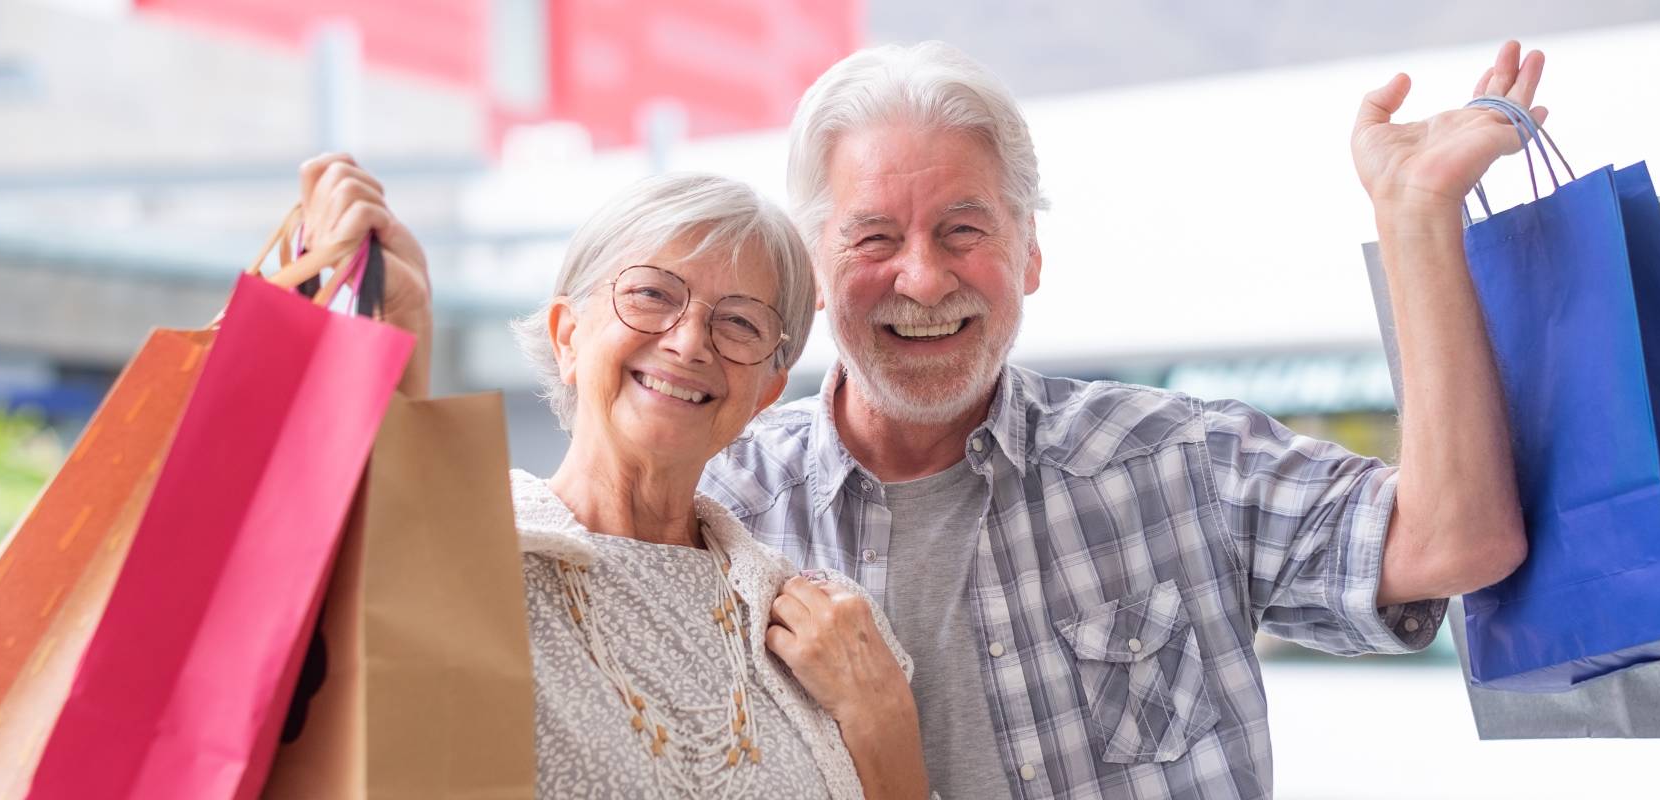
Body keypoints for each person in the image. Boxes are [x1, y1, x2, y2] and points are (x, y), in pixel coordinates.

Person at [302, 36, 1540, 799]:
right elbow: (398, 621)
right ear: (818, 270)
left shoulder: (1174, 463)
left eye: (964, 231)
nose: (924, 278)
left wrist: (1413, 215)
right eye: (873, 238)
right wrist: (360, 339)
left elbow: (1456, 542)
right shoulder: (726, 514)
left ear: (1030, 255)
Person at [297, 168, 929, 798]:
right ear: (567, 337)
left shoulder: (831, 625)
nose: (688, 343)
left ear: (766, 392)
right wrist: (382, 348)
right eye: (653, 294)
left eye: (739, 323)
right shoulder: (465, 556)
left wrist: (886, 724)